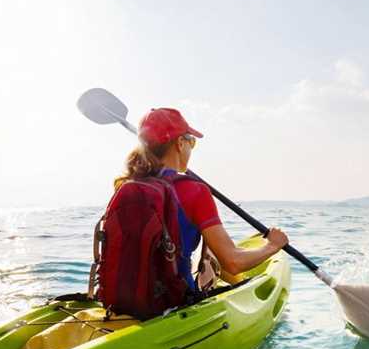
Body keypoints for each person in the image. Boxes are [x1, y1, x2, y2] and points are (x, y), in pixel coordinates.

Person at [114, 107, 289, 295]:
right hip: (172, 304)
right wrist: (273, 246)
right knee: (216, 251)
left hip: (121, 301)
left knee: (210, 249)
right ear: (180, 143)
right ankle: (241, 287)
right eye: (192, 142)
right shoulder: (194, 190)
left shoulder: (125, 186)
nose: (191, 149)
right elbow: (233, 263)